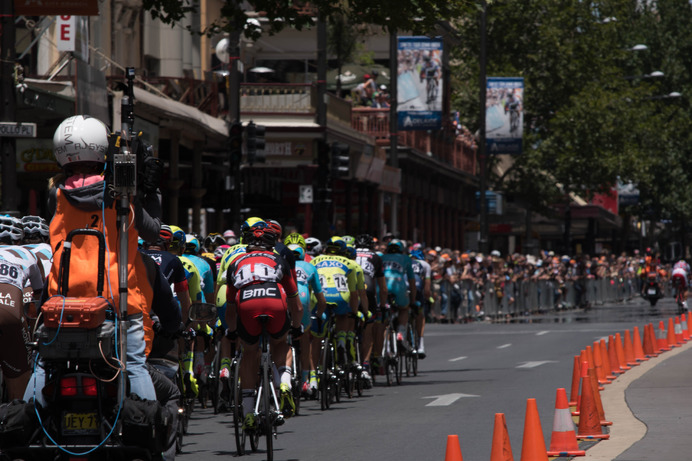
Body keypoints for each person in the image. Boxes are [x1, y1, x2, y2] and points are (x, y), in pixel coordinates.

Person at [26, 114, 161, 404]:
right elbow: (153, 232)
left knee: (42, 366)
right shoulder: (121, 195)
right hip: (118, 300)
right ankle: (146, 433)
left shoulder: (56, 195)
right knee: (134, 366)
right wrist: (144, 195)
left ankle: (25, 426)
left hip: (62, 300)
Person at [225, 220, 303, 427]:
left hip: (247, 301)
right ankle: (285, 383)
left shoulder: (236, 262)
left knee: (249, 351)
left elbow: (230, 307)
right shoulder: (279, 259)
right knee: (280, 343)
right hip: (274, 299)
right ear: (271, 244)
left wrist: (232, 331)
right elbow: (296, 302)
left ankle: (249, 412)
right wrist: (296, 326)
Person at [0, 217, 44, 399]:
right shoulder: (27, 253)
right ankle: (14, 416)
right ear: (19, 240)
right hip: (8, 310)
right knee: (20, 377)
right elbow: (39, 293)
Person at [311, 237, 359, 366]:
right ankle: (342, 342)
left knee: (317, 337)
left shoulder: (314, 260)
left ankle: (315, 371)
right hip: (340, 297)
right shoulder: (350, 263)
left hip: (319, 297)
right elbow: (354, 294)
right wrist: (354, 313)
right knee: (343, 315)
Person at [287, 243, 326, 397]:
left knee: (281, 338)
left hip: (285, 298)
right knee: (304, 338)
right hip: (302, 298)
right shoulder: (309, 266)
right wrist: (318, 314)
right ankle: (305, 380)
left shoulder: (280, 262)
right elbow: (321, 299)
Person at [354, 234, 387, 381]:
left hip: (351, 291)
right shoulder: (376, 257)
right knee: (369, 329)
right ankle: (366, 366)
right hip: (368, 291)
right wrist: (382, 305)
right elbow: (383, 287)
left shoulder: (350, 253)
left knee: (347, 325)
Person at [380, 239, 416, 349]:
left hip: (382, 287)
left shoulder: (381, 258)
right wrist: (413, 301)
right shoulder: (406, 259)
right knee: (404, 308)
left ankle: (383, 339)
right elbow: (412, 281)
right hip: (399, 286)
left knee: (382, 312)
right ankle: (401, 332)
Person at [410, 247, 431, 358]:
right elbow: (427, 287)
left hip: (404, 288)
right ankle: (421, 346)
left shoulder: (406, 261)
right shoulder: (425, 265)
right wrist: (427, 298)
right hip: (417, 289)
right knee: (420, 316)